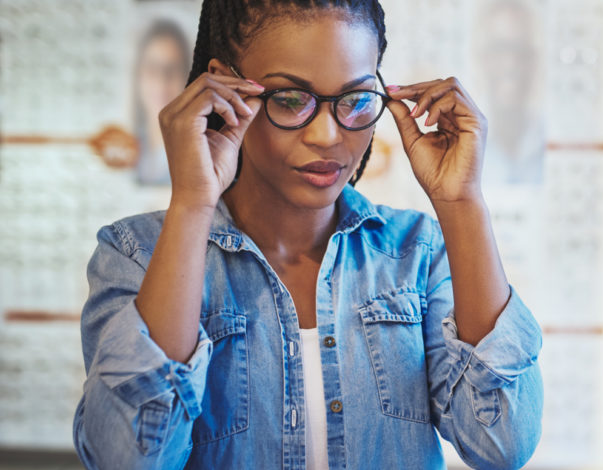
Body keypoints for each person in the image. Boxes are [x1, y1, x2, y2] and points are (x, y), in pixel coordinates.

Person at [71, 1, 543, 469]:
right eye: (290, 99)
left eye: (356, 100)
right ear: (222, 84)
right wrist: (193, 201)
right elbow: (127, 459)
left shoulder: (417, 254)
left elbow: (501, 442)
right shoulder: (136, 256)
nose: (327, 135)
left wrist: (462, 203)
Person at [133, 19, 192, 185]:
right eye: (152, 69)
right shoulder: (127, 148)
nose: (162, 81)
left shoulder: (197, 153)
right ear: (138, 76)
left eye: (172, 69)